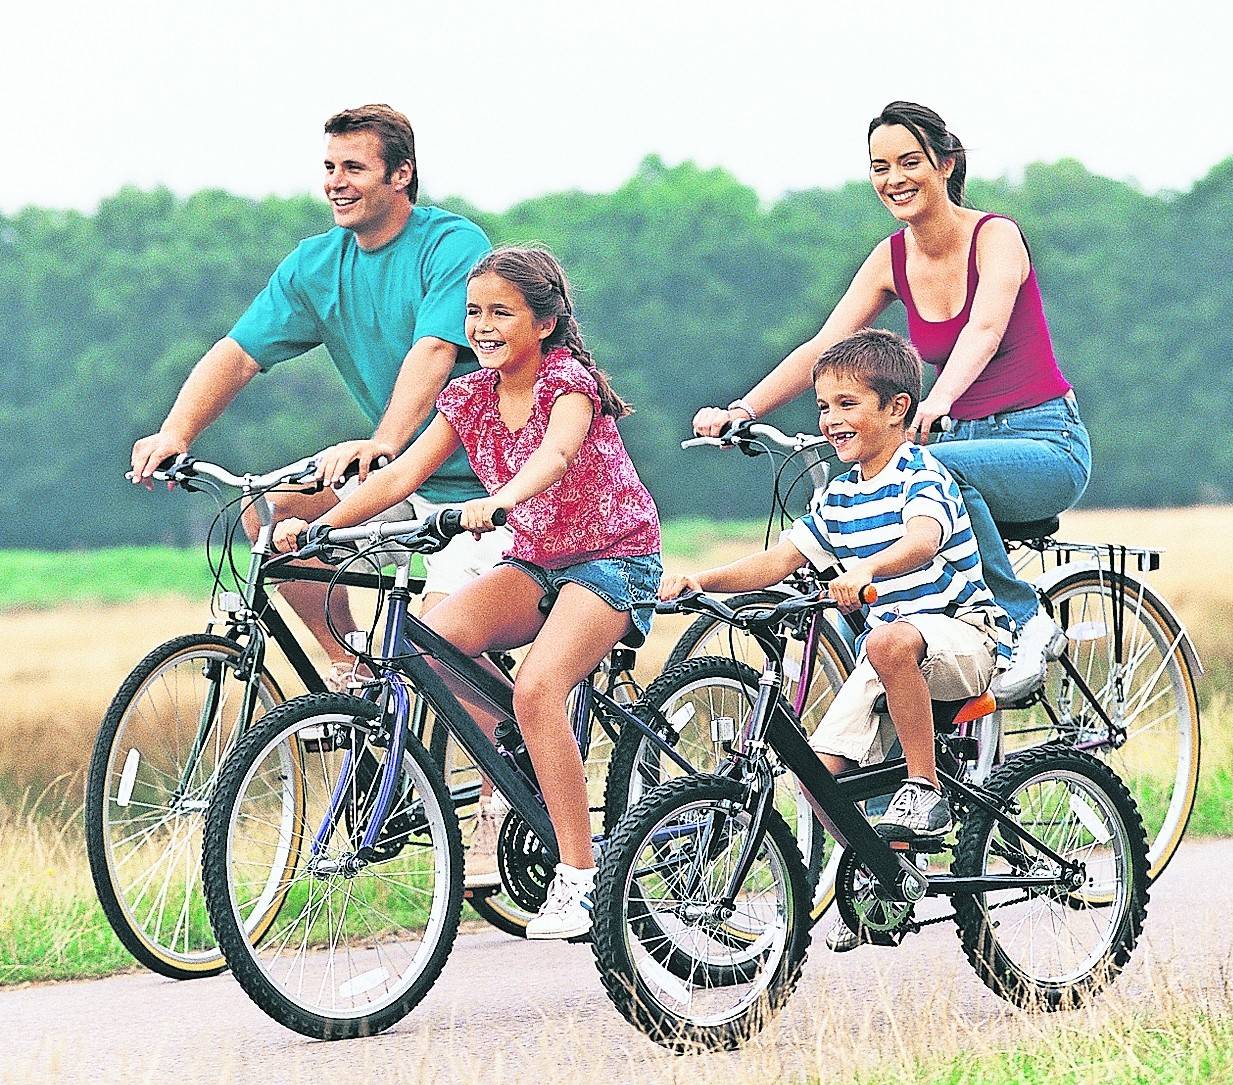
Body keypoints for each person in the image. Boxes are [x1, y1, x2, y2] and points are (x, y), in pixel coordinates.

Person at [275, 246, 662, 939]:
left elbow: (557, 454)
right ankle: (523, 752)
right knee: (433, 645)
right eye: (474, 312)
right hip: (537, 559)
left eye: (500, 312)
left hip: (611, 559)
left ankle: (581, 876)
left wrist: (503, 500)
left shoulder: (567, 381)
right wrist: (320, 529)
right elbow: (397, 477)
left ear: (544, 323)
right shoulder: (469, 395)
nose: (482, 326)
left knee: (539, 686)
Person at [693, 101, 1089, 703]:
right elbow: (826, 346)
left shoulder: (995, 236)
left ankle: (1024, 620)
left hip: (1044, 441)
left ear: (945, 164)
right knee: (881, 530)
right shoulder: (891, 257)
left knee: (935, 471)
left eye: (910, 162)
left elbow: (984, 329)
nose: (895, 179)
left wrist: (940, 401)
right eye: (880, 167)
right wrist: (743, 411)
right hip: (958, 445)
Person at [129, 104, 509, 673]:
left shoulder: (451, 243)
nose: (335, 182)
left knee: (441, 660)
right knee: (270, 512)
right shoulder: (315, 264)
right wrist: (175, 433)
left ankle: (513, 753)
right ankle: (348, 669)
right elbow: (237, 354)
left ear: (400, 174)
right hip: (402, 480)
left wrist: (381, 443)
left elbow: (433, 351)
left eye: (353, 167)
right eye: (329, 166)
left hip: (494, 485)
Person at [664, 328, 1010, 950]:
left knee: (886, 642)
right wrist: (700, 579)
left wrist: (869, 570)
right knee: (820, 775)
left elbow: (924, 539)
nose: (829, 420)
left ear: (896, 409)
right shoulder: (839, 496)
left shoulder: (918, 473)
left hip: (964, 634)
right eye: (823, 407)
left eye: (847, 405)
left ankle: (926, 790)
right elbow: (779, 561)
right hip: (893, 656)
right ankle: (887, 875)